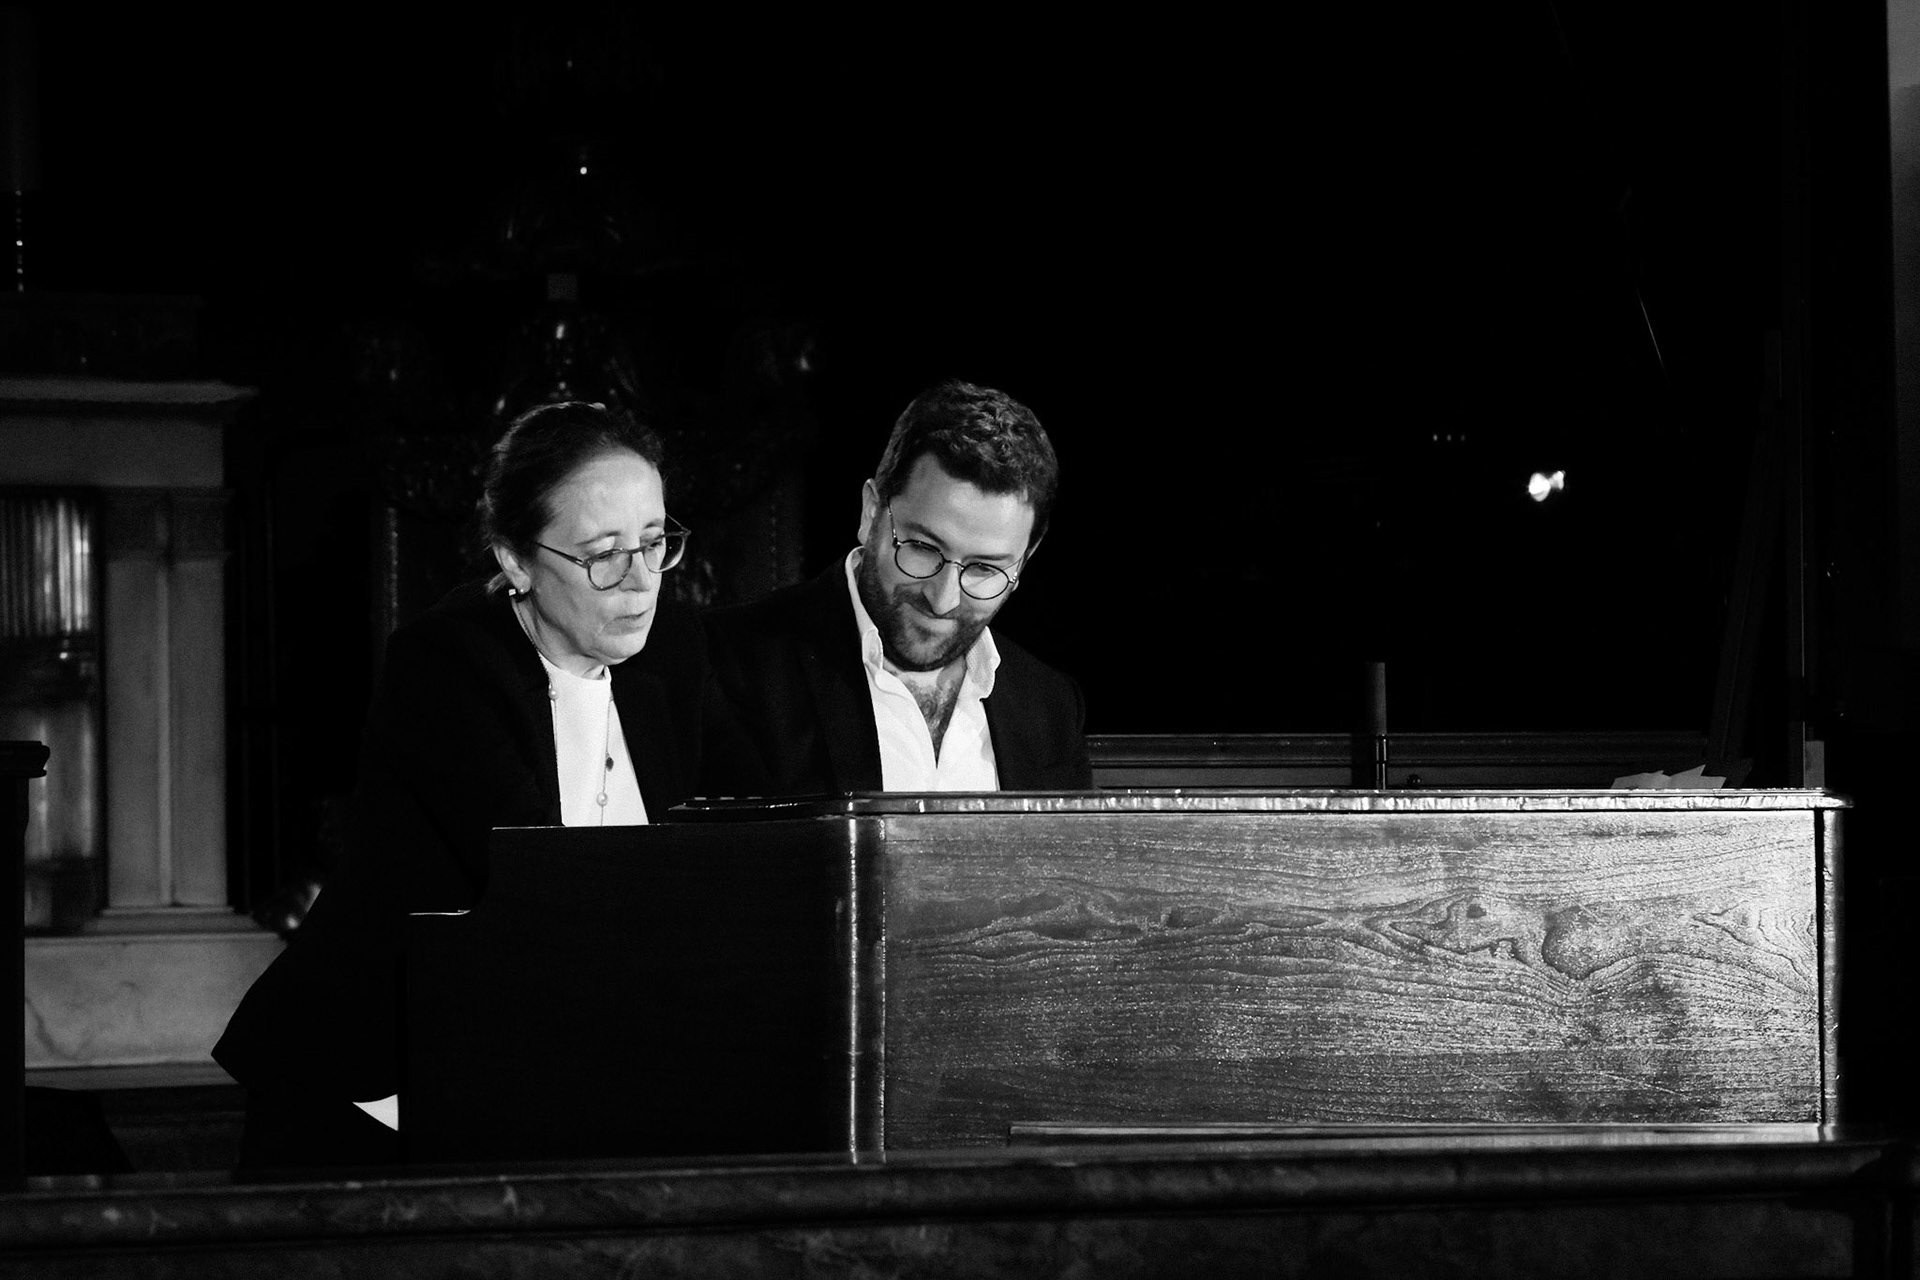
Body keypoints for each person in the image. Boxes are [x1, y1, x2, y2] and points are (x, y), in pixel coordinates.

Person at [214, 400, 755, 1169]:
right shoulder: (443, 665)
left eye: (654, 542)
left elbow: (753, 825)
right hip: (373, 1085)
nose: (641, 581)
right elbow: (537, 882)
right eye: (604, 552)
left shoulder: (672, 646)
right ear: (514, 560)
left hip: (558, 1067)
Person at [704, 379, 1093, 793]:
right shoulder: (730, 662)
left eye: (984, 569)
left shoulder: (1050, 707)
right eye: (924, 548)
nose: (943, 599)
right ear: (871, 512)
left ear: (1025, 559)